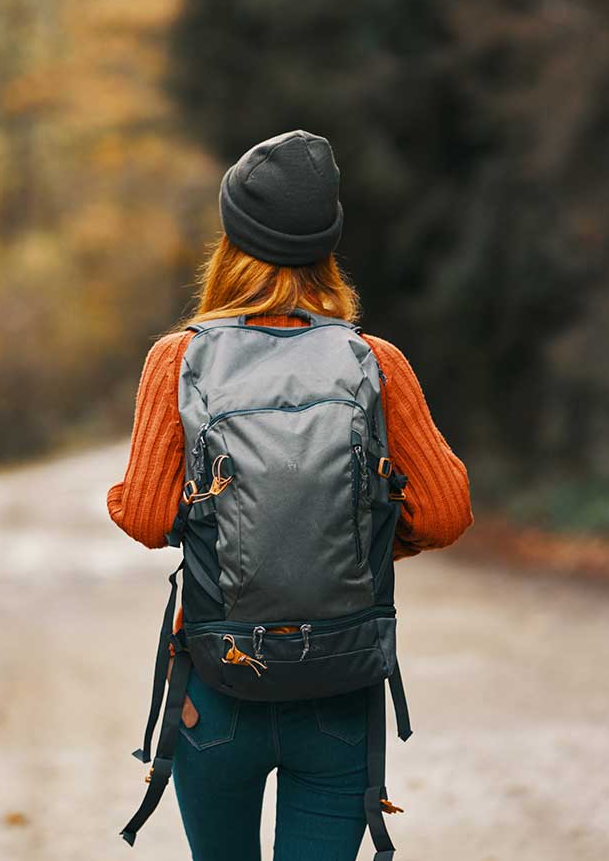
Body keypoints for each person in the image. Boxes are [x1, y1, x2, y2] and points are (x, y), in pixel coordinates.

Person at [106, 129, 473, 861]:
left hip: (217, 683)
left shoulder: (179, 359)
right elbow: (446, 511)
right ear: (327, 245)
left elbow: (145, 517)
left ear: (230, 241)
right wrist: (355, 526)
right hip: (339, 685)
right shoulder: (374, 363)